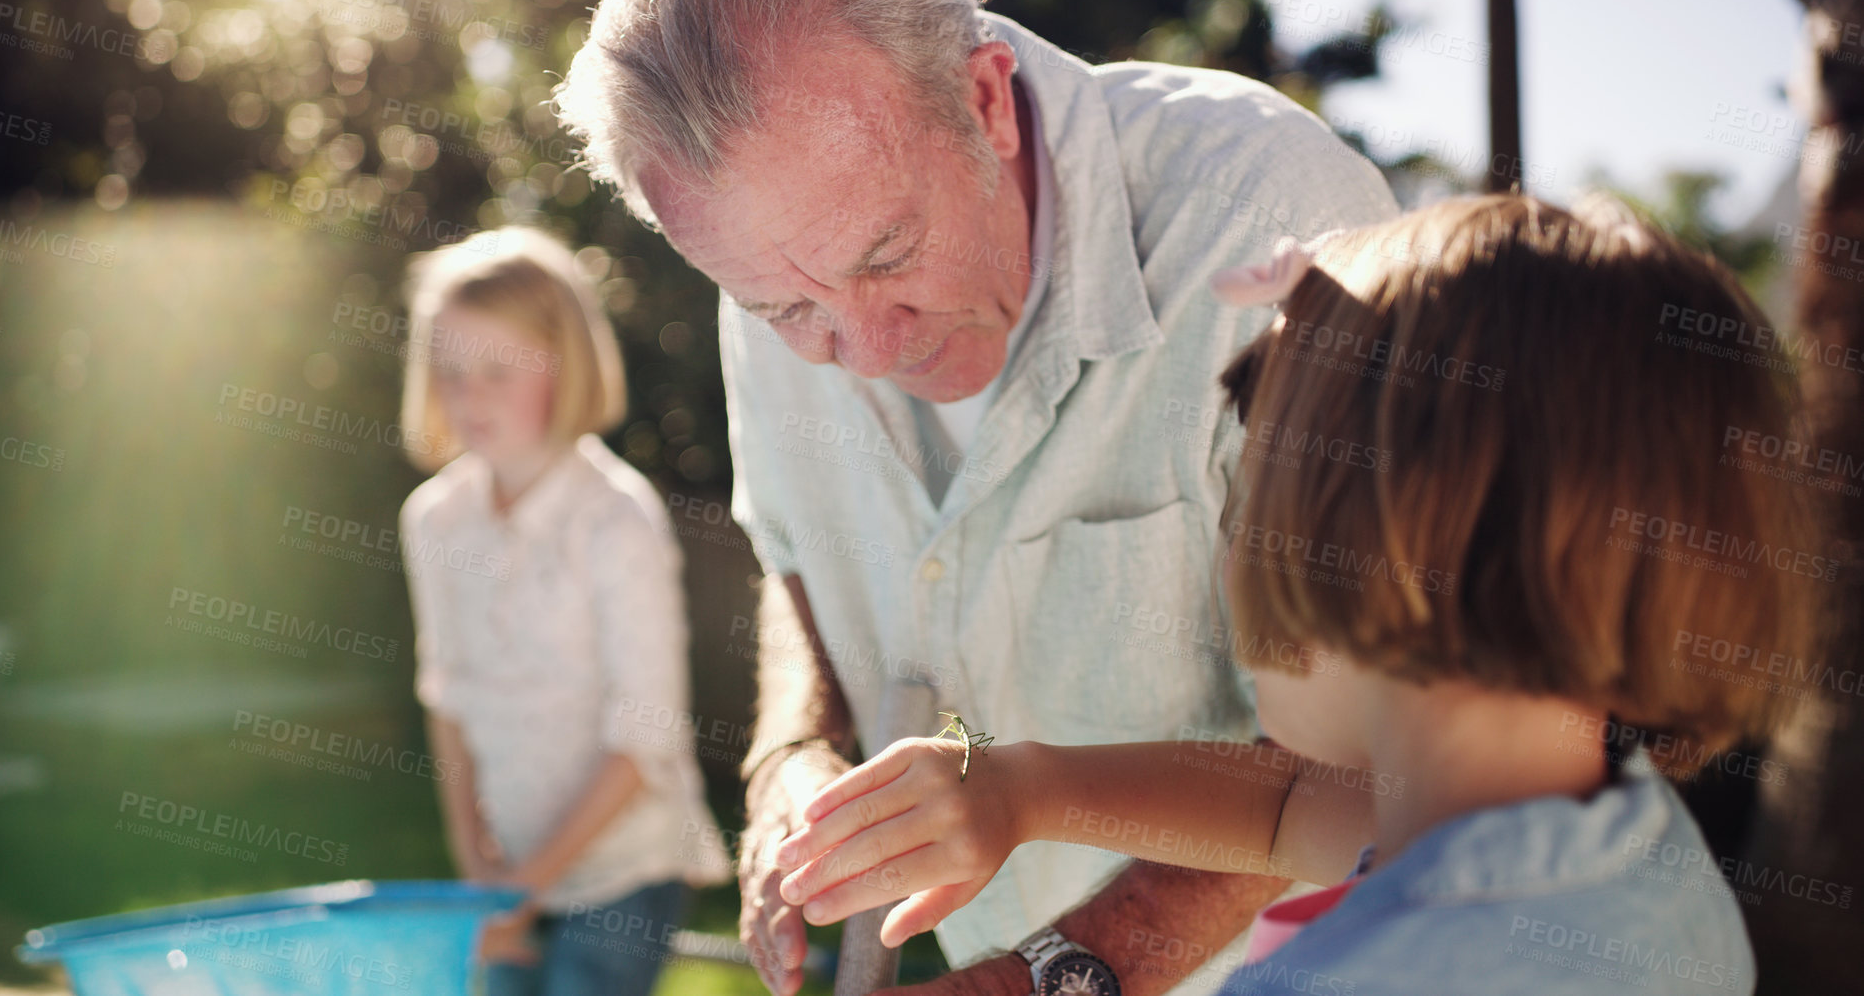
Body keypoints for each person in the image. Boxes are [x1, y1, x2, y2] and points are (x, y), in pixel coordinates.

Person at [555, 0, 1398, 992]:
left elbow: (1364, 766)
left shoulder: (1282, 231)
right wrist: (788, 752)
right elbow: (794, 549)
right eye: (786, 311)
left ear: (987, 101)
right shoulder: (774, 257)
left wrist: (1045, 979)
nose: (860, 352)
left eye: (892, 255)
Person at [772, 194, 1832, 995]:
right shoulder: (1605, 833)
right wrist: (1023, 789)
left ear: (1385, 531)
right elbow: (1290, 810)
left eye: (1263, 478)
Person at [396, 227, 730, 996]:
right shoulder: (435, 520)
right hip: (505, 868)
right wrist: (479, 866)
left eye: (497, 371)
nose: (469, 395)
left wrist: (525, 889)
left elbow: (644, 735)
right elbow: (445, 691)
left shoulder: (614, 520)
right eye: (449, 370)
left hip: (625, 870)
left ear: (564, 364)